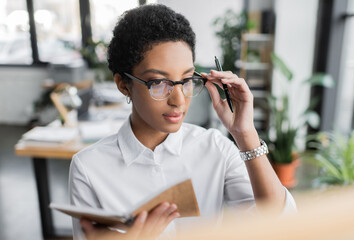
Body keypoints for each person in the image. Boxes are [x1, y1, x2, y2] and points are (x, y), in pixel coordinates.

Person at [69, 4, 296, 240]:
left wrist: (245, 133)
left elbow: (282, 224)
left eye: (187, 80)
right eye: (158, 83)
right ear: (123, 84)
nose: (178, 100)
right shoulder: (89, 168)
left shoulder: (214, 148)